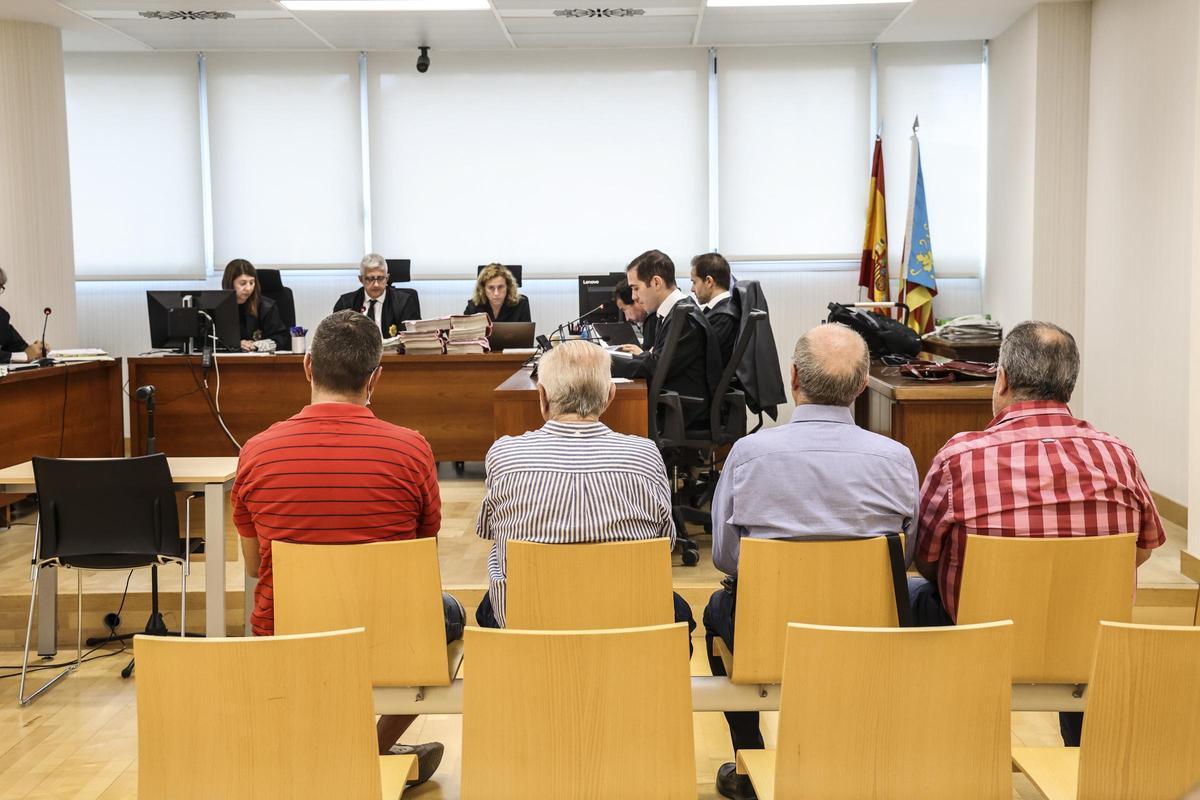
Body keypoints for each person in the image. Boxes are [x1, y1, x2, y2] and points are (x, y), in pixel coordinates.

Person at [910, 320, 1166, 748]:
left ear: (1003, 379)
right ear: (1068, 384)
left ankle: (951, 748)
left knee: (912, 593)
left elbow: (927, 558)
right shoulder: (1118, 456)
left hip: (983, 640)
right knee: (1088, 614)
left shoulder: (959, 457)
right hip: (1088, 646)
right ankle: (1087, 759)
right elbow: (1140, 552)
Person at [231, 310, 461, 786]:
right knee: (451, 614)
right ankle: (370, 749)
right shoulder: (412, 449)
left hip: (287, 635)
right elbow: (418, 559)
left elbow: (254, 566)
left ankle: (330, 753)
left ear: (308, 366)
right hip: (389, 637)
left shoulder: (256, 450)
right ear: (376, 376)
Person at [705, 323, 919, 800]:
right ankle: (856, 755)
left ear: (794, 377)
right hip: (867, 634)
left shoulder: (747, 454)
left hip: (768, 635)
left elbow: (724, 555)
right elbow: (907, 556)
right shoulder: (897, 459)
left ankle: (747, 763)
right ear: (863, 386)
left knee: (715, 612)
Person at [474, 340, 696, 644]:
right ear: (609, 396)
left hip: (529, 633)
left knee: (489, 600)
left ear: (542, 397)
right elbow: (665, 543)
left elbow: (489, 531)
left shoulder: (504, 455)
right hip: (628, 632)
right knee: (681, 613)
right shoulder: (645, 455)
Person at [612, 249, 721, 429]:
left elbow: (655, 367)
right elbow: (657, 359)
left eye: (636, 288)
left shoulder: (685, 317)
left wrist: (602, 362)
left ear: (656, 282)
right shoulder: (675, 312)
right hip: (676, 404)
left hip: (684, 411)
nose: (633, 297)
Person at [333, 253, 421, 338]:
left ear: (387, 278)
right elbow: (338, 339)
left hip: (393, 353)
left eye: (380, 278)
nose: (376, 284)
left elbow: (411, 339)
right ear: (361, 279)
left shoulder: (404, 302)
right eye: (370, 279)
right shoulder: (345, 304)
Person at [221, 259, 289, 352]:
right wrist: (234, 344)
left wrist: (257, 345)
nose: (248, 288)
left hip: (261, 361)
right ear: (230, 283)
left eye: (252, 282)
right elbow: (207, 340)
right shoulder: (218, 307)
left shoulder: (266, 307)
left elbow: (280, 338)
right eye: (242, 283)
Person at [690, 252, 738, 366]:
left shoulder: (723, 316)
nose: (692, 289)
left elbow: (697, 357)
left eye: (694, 282)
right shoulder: (722, 310)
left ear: (709, 281)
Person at [0, 268, 49, 364]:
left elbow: (17, 346)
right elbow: (24, 355)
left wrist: (36, 350)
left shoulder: (2, 316)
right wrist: (24, 356)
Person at [464, 264, 531, 323]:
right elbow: (465, 334)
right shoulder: (473, 306)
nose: (496, 293)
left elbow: (527, 335)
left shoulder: (521, 303)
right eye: (491, 288)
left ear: (508, 287)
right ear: (483, 289)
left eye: (500, 287)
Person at [613, 278, 655, 349]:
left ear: (636, 300)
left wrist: (640, 354)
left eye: (624, 310)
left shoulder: (653, 320)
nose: (627, 318)